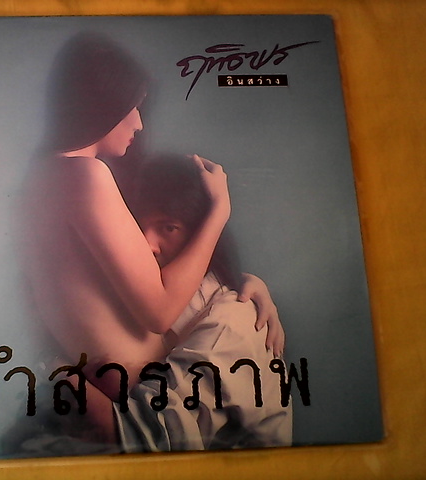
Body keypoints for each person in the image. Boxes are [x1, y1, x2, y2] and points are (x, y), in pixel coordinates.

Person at [22, 32, 282, 447]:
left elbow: (117, 282)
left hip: (122, 392)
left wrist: (247, 281)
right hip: (138, 409)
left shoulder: (41, 178)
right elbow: (159, 312)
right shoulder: (85, 175)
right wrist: (219, 211)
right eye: (133, 106)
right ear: (103, 103)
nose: (139, 123)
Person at [113, 153, 292, 451]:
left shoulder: (230, 322)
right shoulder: (156, 297)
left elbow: (156, 430)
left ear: (203, 232)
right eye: (138, 226)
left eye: (168, 227)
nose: (147, 244)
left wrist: (68, 382)